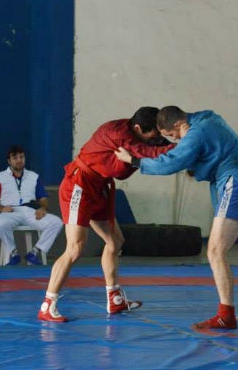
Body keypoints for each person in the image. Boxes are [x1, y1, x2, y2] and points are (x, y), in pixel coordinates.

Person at [114, 106, 238, 329]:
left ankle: (226, 315)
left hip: (236, 185)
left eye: (172, 136)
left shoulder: (195, 135)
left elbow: (172, 162)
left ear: (177, 124)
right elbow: (201, 151)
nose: (175, 141)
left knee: (214, 251)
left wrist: (133, 161)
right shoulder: (208, 118)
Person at [38, 107, 175, 322]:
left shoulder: (133, 130)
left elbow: (153, 147)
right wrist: (187, 148)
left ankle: (115, 299)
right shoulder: (122, 137)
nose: (156, 139)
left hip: (99, 186)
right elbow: (151, 153)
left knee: (115, 241)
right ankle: (48, 304)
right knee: (75, 248)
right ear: (139, 128)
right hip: (79, 184)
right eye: (154, 134)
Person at [0, 145, 63, 265]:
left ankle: (35, 252)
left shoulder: (33, 176)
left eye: (21, 157)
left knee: (57, 222)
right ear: (9, 161)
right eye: (15, 158)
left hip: (31, 211)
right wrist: (1, 208)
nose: (19, 160)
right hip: (10, 211)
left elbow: (43, 198)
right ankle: (13, 253)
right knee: (0, 224)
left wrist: (43, 208)